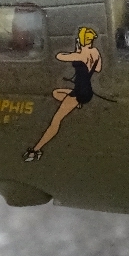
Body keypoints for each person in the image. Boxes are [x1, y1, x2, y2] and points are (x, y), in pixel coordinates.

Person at [23, 26, 102, 162]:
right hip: (86, 90)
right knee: (56, 93)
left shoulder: (80, 55)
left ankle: (36, 150)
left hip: (79, 92)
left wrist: (77, 51)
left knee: (56, 121)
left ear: (81, 40)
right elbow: (98, 68)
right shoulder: (95, 52)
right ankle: (76, 104)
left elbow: (59, 56)